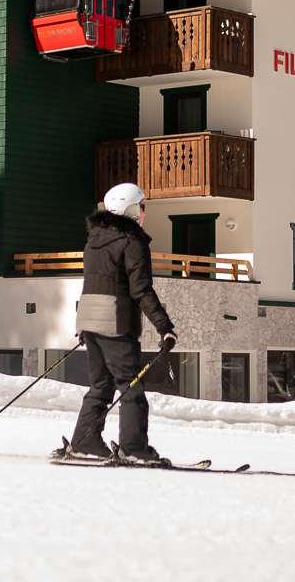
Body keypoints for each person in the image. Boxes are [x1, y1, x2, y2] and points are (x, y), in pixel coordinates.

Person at [61, 182, 176, 463]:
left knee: (101, 386)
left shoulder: (94, 239)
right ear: (131, 210)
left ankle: (85, 441)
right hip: (114, 321)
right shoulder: (132, 242)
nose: (144, 211)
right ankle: (134, 448)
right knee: (131, 386)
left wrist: (86, 325)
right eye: (142, 206)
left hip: (89, 318)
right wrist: (165, 327)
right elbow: (141, 290)